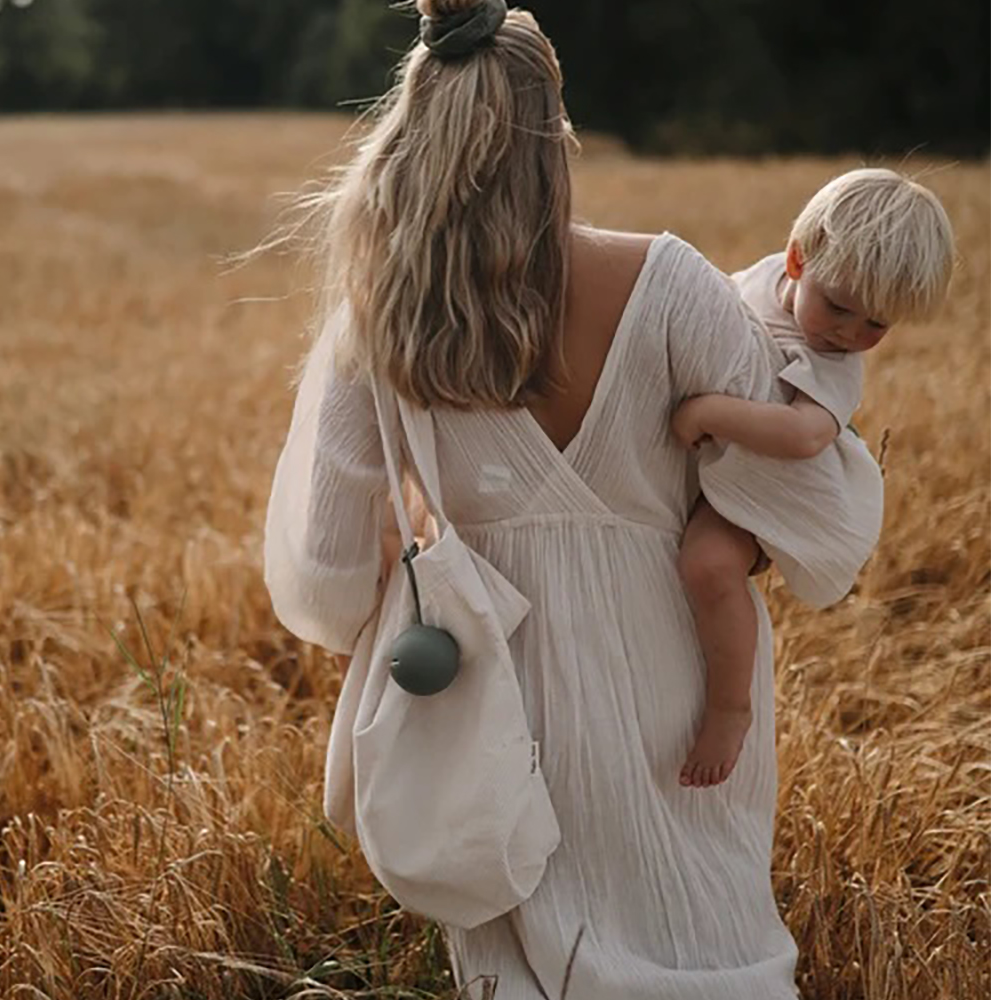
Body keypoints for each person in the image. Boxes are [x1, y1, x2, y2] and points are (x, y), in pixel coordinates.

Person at [263, 1, 876, 995]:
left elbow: (328, 572)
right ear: (555, 132)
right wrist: (734, 546)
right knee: (705, 934)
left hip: (488, 685)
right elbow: (807, 509)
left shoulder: (378, 318)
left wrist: (406, 576)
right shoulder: (672, 283)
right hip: (679, 669)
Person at [672, 168, 955, 790]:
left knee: (709, 565)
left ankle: (731, 707)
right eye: (839, 307)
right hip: (728, 461)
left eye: (876, 326)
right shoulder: (761, 279)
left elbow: (804, 437)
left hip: (775, 486)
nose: (849, 334)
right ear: (797, 260)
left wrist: (709, 412)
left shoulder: (835, 364)